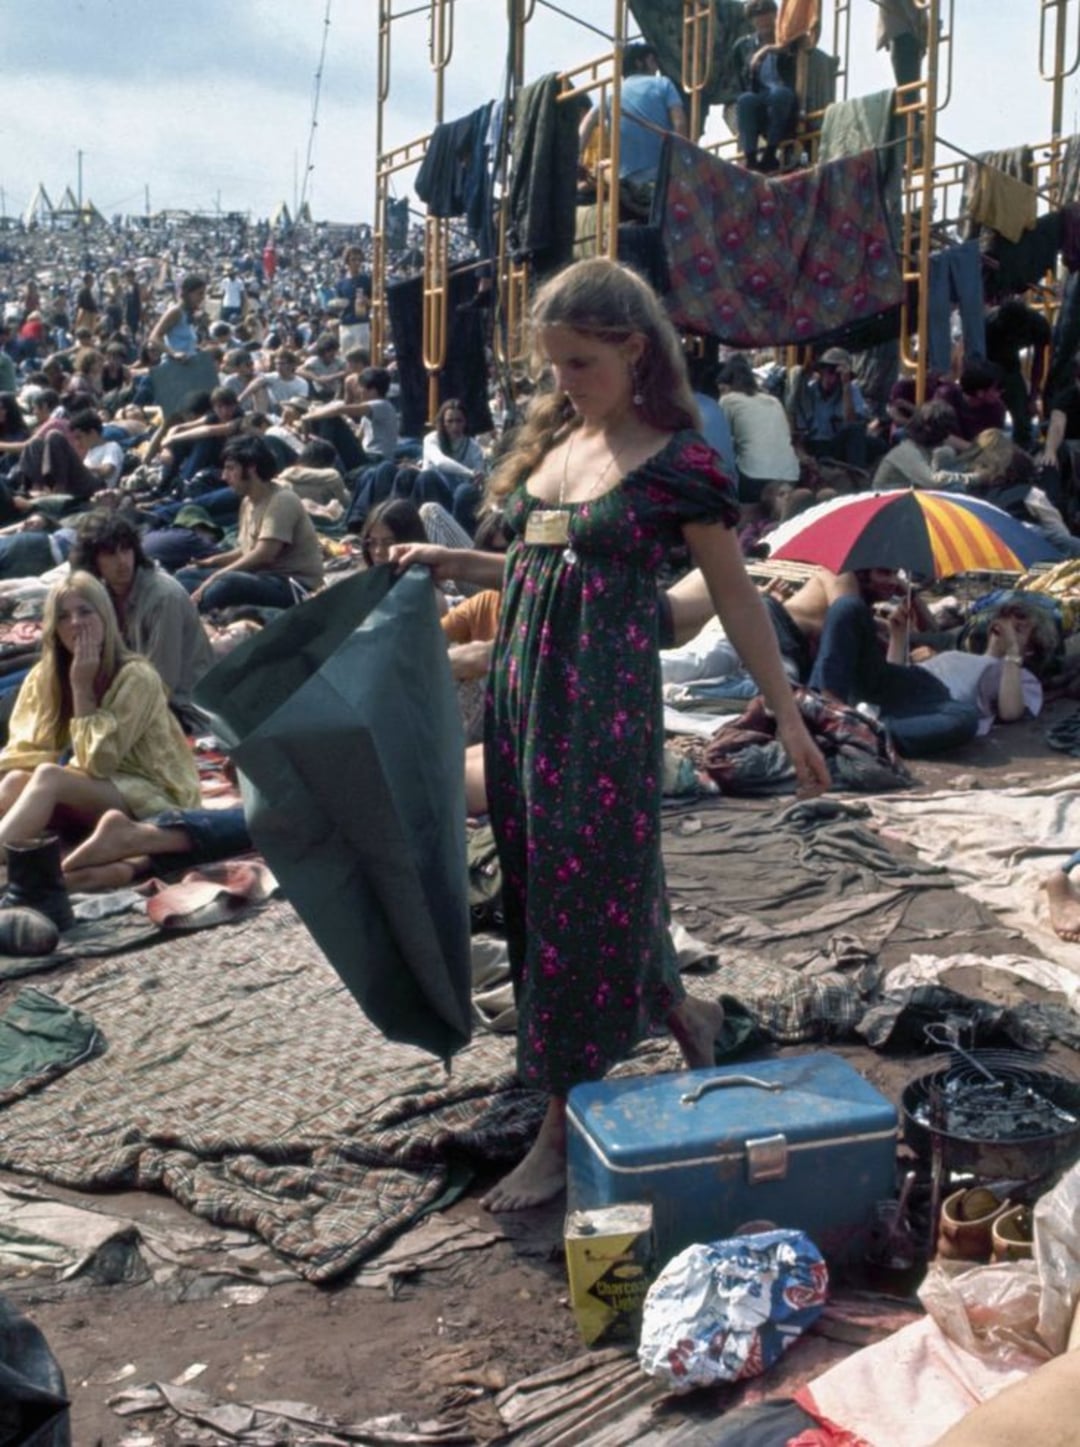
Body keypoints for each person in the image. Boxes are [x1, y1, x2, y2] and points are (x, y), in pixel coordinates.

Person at [393, 257, 829, 1211]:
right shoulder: (560, 446)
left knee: (578, 904)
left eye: (580, 362)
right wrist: (451, 560)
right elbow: (535, 572)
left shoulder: (678, 461)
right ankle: (686, 1013)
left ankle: (562, 1122)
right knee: (555, 887)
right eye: (552, 364)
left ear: (635, 350)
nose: (563, 382)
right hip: (523, 701)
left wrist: (787, 713)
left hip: (601, 714)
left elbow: (731, 594)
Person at [0, 572, 201, 848]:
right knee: (14, 780)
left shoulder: (136, 676)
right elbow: (25, 748)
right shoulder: (43, 677)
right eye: (63, 616)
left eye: (85, 612)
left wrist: (82, 687)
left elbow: (98, 763)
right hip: (87, 786)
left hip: (148, 790)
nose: (76, 623)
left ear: (105, 617)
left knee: (50, 777)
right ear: (53, 627)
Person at [69, 512, 215, 731]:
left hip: (177, 709)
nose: (122, 562)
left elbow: (161, 683)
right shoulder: (104, 592)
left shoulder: (163, 597)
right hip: (129, 694)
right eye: (110, 553)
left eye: (126, 550)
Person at [177, 434, 324, 610]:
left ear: (252, 468)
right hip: (262, 577)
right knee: (184, 576)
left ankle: (192, 611)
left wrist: (216, 576)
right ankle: (189, 606)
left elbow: (264, 555)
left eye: (231, 469)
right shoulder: (248, 501)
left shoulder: (281, 500)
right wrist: (213, 562)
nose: (224, 476)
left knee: (227, 583)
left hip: (293, 586)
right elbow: (247, 549)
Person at [578, 42, 687, 188]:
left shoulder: (612, 95)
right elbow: (680, 124)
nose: (657, 67)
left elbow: (588, 121)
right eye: (652, 61)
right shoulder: (663, 83)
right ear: (639, 63)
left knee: (601, 168)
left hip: (624, 179)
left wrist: (576, 157)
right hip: (660, 173)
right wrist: (679, 164)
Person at [717, 354, 800, 518]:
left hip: (753, 478)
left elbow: (722, 443)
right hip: (790, 475)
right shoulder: (774, 401)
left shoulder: (727, 400)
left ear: (727, 385)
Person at [733, 0, 799, 173]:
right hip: (760, 96)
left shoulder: (788, 39)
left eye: (766, 15)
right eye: (757, 17)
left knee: (780, 94)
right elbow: (740, 79)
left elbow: (794, 46)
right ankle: (751, 158)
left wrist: (768, 49)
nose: (762, 21)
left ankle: (770, 154)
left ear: (775, 16)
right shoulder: (744, 46)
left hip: (783, 98)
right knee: (745, 100)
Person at [787, 348, 870, 468]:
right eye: (830, 372)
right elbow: (799, 432)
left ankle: (856, 473)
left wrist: (846, 385)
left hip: (838, 444)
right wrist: (803, 455)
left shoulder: (850, 390)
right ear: (821, 371)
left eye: (838, 375)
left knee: (873, 441)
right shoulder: (808, 393)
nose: (833, 379)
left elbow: (851, 422)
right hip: (815, 445)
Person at [871, 400, 971, 490]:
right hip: (889, 500)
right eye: (943, 431)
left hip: (910, 496)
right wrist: (976, 478)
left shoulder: (926, 449)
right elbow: (934, 482)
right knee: (953, 487)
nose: (945, 436)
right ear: (928, 429)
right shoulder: (906, 452)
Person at [148, 274, 207, 362]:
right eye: (199, 293)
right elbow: (154, 338)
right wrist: (174, 353)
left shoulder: (187, 313)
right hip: (174, 365)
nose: (202, 297)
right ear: (188, 293)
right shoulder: (175, 312)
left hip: (187, 364)